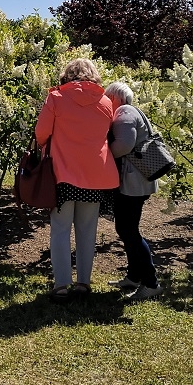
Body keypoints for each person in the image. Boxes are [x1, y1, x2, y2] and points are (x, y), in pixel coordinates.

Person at [35, 58, 119, 301]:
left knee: (60, 230)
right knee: (87, 230)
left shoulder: (56, 98)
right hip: (95, 175)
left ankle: (61, 285)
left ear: (67, 75)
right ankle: (83, 282)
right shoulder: (105, 101)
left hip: (63, 175)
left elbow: (41, 133)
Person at [104, 81, 162, 301]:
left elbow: (125, 145)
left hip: (132, 183)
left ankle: (151, 282)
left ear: (115, 98)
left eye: (107, 98)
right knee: (126, 229)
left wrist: (103, 156)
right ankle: (134, 276)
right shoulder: (132, 111)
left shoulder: (124, 112)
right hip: (137, 181)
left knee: (129, 231)